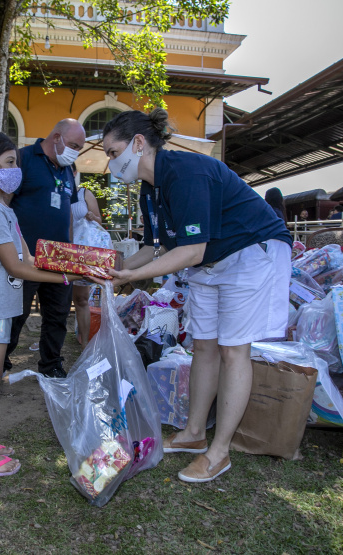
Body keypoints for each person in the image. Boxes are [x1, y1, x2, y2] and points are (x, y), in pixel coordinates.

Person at [99, 109, 292, 483]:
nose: (111, 163)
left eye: (113, 152)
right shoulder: (150, 189)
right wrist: (113, 269)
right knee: (204, 346)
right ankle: (194, 432)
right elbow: (154, 247)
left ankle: (219, 452)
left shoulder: (186, 172)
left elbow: (191, 249)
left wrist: (132, 276)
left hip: (251, 253)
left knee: (233, 350)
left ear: (138, 144)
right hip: (210, 262)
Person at [0, 131, 78, 477]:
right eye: (9, 162)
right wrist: (68, 278)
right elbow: (16, 267)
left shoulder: (2, 209)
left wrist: (74, 266)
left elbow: (30, 258)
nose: (16, 169)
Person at [4, 119, 87, 378]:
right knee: (16, 313)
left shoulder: (67, 168)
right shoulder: (23, 159)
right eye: (74, 145)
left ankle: (51, 365)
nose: (76, 152)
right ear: (57, 137)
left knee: (58, 315)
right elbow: (5, 204)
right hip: (25, 256)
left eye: (79, 148)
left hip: (60, 257)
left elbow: (68, 213)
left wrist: (70, 251)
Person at [70, 177, 103, 345]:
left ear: (74, 172)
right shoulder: (54, 191)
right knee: (57, 302)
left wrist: (92, 216)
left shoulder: (84, 193)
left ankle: (85, 344)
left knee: (81, 299)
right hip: (59, 249)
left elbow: (99, 221)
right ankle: (51, 348)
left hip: (81, 253)